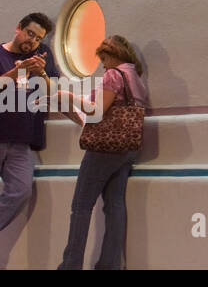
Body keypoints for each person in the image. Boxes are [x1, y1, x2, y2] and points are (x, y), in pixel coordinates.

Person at [58, 34, 149, 270]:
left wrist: (70, 97)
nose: (102, 65)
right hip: (127, 148)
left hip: (104, 150)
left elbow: (97, 111)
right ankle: (109, 264)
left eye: (104, 59)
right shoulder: (135, 78)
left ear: (112, 55)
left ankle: (70, 265)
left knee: (81, 205)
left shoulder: (114, 75)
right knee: (114, 205)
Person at [0, 12, 58, 233]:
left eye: (37, 38)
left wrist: (41, 72)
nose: (32, 41)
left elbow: (52, 91)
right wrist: (18, 71)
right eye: (30, 34)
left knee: (21, 192)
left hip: (21, 141)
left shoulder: (40, 57)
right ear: (18, 28)